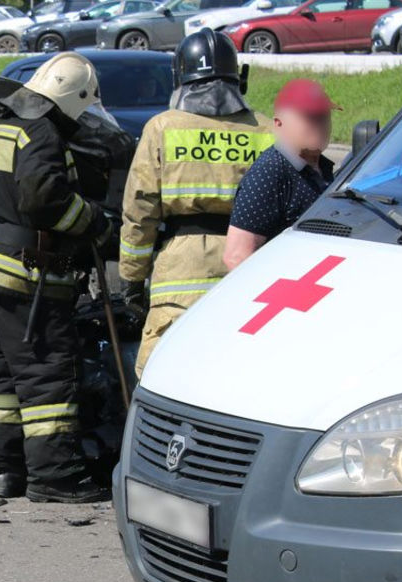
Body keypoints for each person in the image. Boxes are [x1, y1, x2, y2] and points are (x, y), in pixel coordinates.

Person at [0, 52, 113, 504]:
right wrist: (95, 222)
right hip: (26, 274)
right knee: (46, 374)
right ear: (72, 97)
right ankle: (55, 476)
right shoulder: (40, 132)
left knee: (2, 374)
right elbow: (46, 200)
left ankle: (5, 469)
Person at [119, 28, 273, 377]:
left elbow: (139, 212)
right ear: (239, 78)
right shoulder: (267, 132)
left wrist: (131, 280)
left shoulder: (162, 128)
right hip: (251, 271)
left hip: (179, 275)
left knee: (165, 375)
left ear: (180, 79)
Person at [224, 80, 338, 271]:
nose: (320, 125)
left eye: (324, 116)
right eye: (310, 117)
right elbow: (237, 257)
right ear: (279, 124)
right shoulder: (270, 172)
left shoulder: (323, 169)